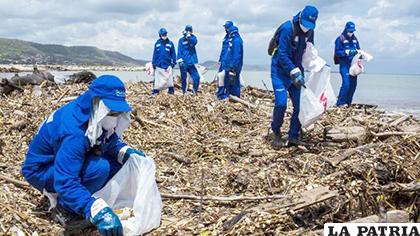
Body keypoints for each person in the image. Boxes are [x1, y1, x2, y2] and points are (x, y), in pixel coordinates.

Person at [22, 75, 146, 236]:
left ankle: (80, 196)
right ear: (98, 105)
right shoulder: (74, 133)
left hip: (64, 158)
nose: (115, 118)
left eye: (118, 113)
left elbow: (102, 135)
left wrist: (121, 150)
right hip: (42, 170)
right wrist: (93, 209)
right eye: (112, 112)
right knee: (100, 169)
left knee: (118, 163)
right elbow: (65, 181)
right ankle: (64, 207)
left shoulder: (90, 112)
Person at [270, 5, 318, 148]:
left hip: (297, 71)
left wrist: (316, 63)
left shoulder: (310, 31)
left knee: (300, 105)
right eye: (305, 24)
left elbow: (309, 51)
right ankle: (276, 130)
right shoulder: (287, 28)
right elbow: (282, 54)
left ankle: (293, 135)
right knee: (281, 103)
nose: (307, 27)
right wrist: (293, 70)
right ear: (300, 17)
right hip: (280, 71)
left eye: (310, 25)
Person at [335, 21, 361, 107]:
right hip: (344, 65)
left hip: (353, 65)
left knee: (353, 84)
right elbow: (337, 52)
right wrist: (347, 52)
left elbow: (359, 50)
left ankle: (348, 103)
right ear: (346, 29)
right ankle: (340, 103)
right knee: (346, 83)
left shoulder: (355, 39)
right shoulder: (340, 39)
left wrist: (360, 58)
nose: (351, 33)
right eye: (350, 31)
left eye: (352, 31)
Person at [220, 25, 243, 99]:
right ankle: (228, 95)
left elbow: (237, 55)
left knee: (234, 82)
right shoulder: (232, 40)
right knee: (228, 81)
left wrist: (233, 66)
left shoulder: (236, 41)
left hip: (233, 66)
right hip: (228, 65)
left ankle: (235, 97)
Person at [152, 28, 177, 95]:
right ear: (160, 35)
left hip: (167, 64)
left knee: (169, 79)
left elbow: (173, 54)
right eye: (163, 34)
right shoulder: (157, 44)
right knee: (157, 79)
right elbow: (155, 54)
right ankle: (155, 91)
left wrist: (174, 62)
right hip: (159, 64)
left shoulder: (170, 43)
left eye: (165, 34)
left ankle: (171, 91)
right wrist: (153, 63)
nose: (164, 36)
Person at [177, 24, 200, 95]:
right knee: (183, 78)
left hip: (191, 62)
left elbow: (195, 42)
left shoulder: (193, 38)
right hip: (183, 63)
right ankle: (184, 92)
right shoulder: (181, 40)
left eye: (190, 30)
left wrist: (189, 37)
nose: (188, 32)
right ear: (185, 30)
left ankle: (194, 91)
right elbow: (179, 50)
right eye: (187, 30)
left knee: (197, 77)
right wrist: (179, 59)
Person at [216, 20, 234, 99]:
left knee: (227, 78)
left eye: (226, 27)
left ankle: (227, 94)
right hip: (223, 60)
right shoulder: (225, 37)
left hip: (228, 61)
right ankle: (220, 93)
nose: (225, 29)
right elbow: (223, 49)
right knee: (220, 76)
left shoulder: (232, 37)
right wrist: (220, 59)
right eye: (225, 27)